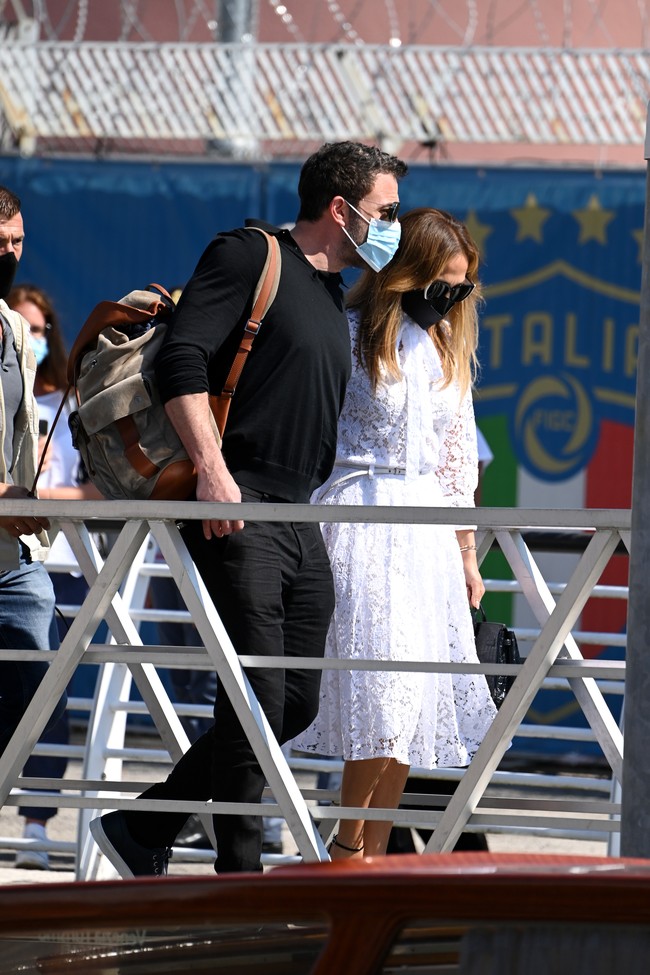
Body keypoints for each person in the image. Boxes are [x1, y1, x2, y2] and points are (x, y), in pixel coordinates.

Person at [89, 140, 409, 877]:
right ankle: (239, 873)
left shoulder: (332, 290)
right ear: (342, 209)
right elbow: (183, 358)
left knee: (293, 700)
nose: (393, 226)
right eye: (386, 211)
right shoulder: (249, 254)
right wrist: (212, 469)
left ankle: (145, 825)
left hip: (299, 512)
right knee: (257, 690)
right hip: (237, 500)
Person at [293, 207, 498, 858]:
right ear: (406, 274)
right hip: (359, 520)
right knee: (382, 692)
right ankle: (347, 848)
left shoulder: (446, 347)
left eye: (463, 288)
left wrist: (467, 555)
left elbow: (457, 463)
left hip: (426, 535)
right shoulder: (347, 333)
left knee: (413, 701)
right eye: (443, 285)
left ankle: (371, 854)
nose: (452, 300)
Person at [6, 283, 101, 869]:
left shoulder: (73, 404)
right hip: (7, 560)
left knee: (48, 701)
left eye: (38, 329)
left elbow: (98, 491)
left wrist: (32, 498)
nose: (30, 339)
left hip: (61, 566)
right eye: (20, 327)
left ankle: (37, 823)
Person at [0, 188, 67, 790]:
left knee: (43, 682)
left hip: (11, 556)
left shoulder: (16, 329)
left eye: (17, 241)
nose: (10, 252)